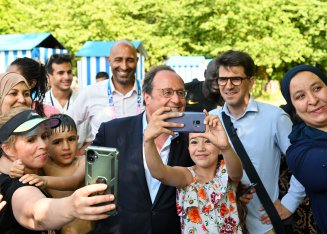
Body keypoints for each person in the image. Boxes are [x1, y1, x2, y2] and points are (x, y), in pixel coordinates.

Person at [209, 50, 305, 233]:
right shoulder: (211, 119)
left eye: (235, 79)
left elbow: (302, 163)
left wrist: (290, 203)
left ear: (251, 82)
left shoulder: (274, 117)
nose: (228, 86)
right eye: (223, 79)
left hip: (263, 224)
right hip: (221, 223)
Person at [91, 65, 194, 234]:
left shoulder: (194, 139)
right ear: (147, 97)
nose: (177, 99)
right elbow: (87, 175)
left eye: (181, 93)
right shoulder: (112, 132)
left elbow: (213, 176)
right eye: (167, 92)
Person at [0, 107, 115, 233]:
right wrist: (72, 206)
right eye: (31, 139)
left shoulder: (35, 167)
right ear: (7, 149)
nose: (44, 145)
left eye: (44, 136)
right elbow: (36, 213)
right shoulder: (18, 187)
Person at [144, 109, 243, 233]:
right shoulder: (187, 176)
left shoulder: (226, 170)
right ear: (188, 148)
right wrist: (148, 141)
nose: (201, 148)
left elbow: (237, 174)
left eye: (208, 141)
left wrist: (225, 147)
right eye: (194, 142)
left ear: (219, 148)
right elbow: (159, 172)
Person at [11, 113, 92, 234]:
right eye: (57, 142)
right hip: (53, 219)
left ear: (78, 138)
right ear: (46, 144)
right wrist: (17, 168)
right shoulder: (44, 164)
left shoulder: (83, 162)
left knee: (70, 230)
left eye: (71, 139)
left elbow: (74, 181)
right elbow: (26, 171)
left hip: (80, 216)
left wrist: (44, 180)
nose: (66, 147)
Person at [281, 65, 327, 233]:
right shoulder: (299, 152)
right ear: (294, 108)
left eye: (317, 88)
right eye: (300, 96)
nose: (313, 100)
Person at [67, 39, 143, 139]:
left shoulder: (149, 91)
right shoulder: (91, 93)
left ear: (137, 61)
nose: (124, 66)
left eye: (129, 60)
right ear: (109, 61)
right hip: (105, 154)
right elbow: (65, 125)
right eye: (118, 60)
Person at [44, 54, 91, 155]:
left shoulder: (84, 101)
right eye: (61, 73)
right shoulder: (41, 103)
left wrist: (74, 157)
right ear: (49, 77)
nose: (67, 77)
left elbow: (90, 140)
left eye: (69, 72)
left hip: (78, 162)